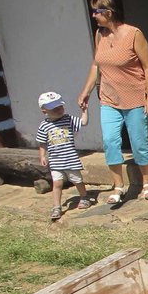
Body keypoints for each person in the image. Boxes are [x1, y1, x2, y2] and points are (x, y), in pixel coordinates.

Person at [76, 0, 148, 205]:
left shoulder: (133, 34)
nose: (93, 15)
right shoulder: (99, 35)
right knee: (111, 141)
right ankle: (118, 186)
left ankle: (147, 182)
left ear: (109, 12)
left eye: (97, 11)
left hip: (135, 97)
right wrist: (86, 92)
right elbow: (96, 65)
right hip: (109, 99)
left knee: (139, 141)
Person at [36, 91, 92, 221]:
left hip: (70, 159)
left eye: (60, 106)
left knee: (77, 180)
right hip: (56, 161)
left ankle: (84, 197)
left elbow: (83, 122)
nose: (58, 110)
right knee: (57, 184)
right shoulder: (44, 126)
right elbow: (42, 143)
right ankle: (57, 207)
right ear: (44, 111)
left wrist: (84, 111)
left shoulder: (68, 119)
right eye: (54, 108)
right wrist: (43, 156)